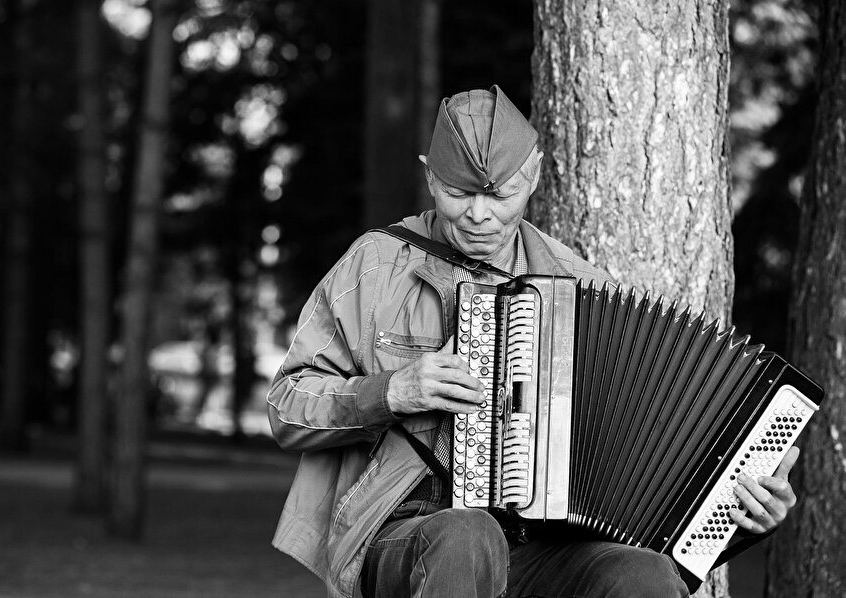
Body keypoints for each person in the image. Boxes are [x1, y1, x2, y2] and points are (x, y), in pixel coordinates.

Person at [266, 85, 799, 598]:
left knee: (645, 576)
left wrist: (744, 518)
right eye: (459, 193)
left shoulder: (583, 290)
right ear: (431, 179)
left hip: (544, 551)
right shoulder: (376, 264)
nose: (479, 215)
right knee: (468, 534)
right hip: (408, 533)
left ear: (536, 174)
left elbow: (659, 474)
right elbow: (285, 408)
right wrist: (391, 392)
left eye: (500, 193)